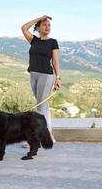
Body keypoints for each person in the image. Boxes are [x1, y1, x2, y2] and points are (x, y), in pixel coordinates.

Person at [21, 15, 61, 148]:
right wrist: (40, 17)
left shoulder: (53, 42)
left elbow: (55, 61)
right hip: (33, 74)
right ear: (37, 28)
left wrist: (58, 78)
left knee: (40, 107)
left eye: (49, 25)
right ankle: (49, 136)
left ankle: (37, 140)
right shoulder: (34, 40)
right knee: (44, 107)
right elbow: (23, 28)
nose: (47, 27)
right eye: (44, 24)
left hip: (46, 75)